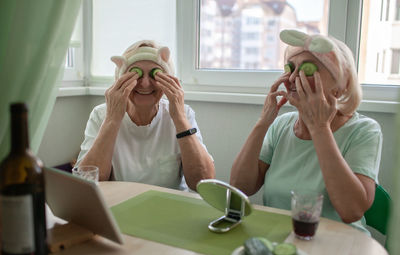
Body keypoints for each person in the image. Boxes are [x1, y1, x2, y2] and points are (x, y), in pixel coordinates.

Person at [230, 29, 383, 234]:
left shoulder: (364, 131)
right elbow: (240, 187)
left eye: (307, 70)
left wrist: (320, 128)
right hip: (282, 241)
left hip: (342, 246)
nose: (292, 77)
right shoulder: (282, 125)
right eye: (290, 68)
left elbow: (351, 211)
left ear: (339, 87)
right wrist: (263, 123)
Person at [76, 40, 215, 191]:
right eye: (136, 74)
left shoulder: (183, 113)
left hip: (169, 206)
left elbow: (204, 182)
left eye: (155, 74)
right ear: (121, 79)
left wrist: (180, 119)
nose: (145, 84)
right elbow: (85, 183)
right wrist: (112, 119)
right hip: (120, 205)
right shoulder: (101, 115)